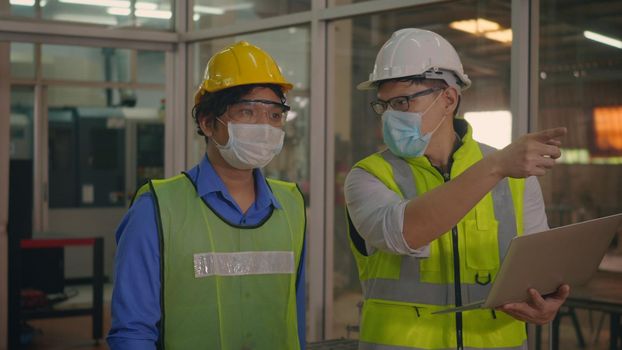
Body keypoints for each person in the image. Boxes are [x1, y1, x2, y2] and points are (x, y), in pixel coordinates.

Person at [344, 28, 569, 350]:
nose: (391, 116)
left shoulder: (514, 174)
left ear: (448, 98)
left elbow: (536, 269)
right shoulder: (368, 175)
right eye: (384, 106)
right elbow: (404, 232)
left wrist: (544, 302)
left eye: (403, 102)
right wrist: (495, 167)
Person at [107, 41, 306, 350]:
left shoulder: (291, 205)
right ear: (207, 123)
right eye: (247, 112)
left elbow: (294, 316)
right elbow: (133, 332)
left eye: (274, 115)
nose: (264, 127)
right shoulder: (157, 209)